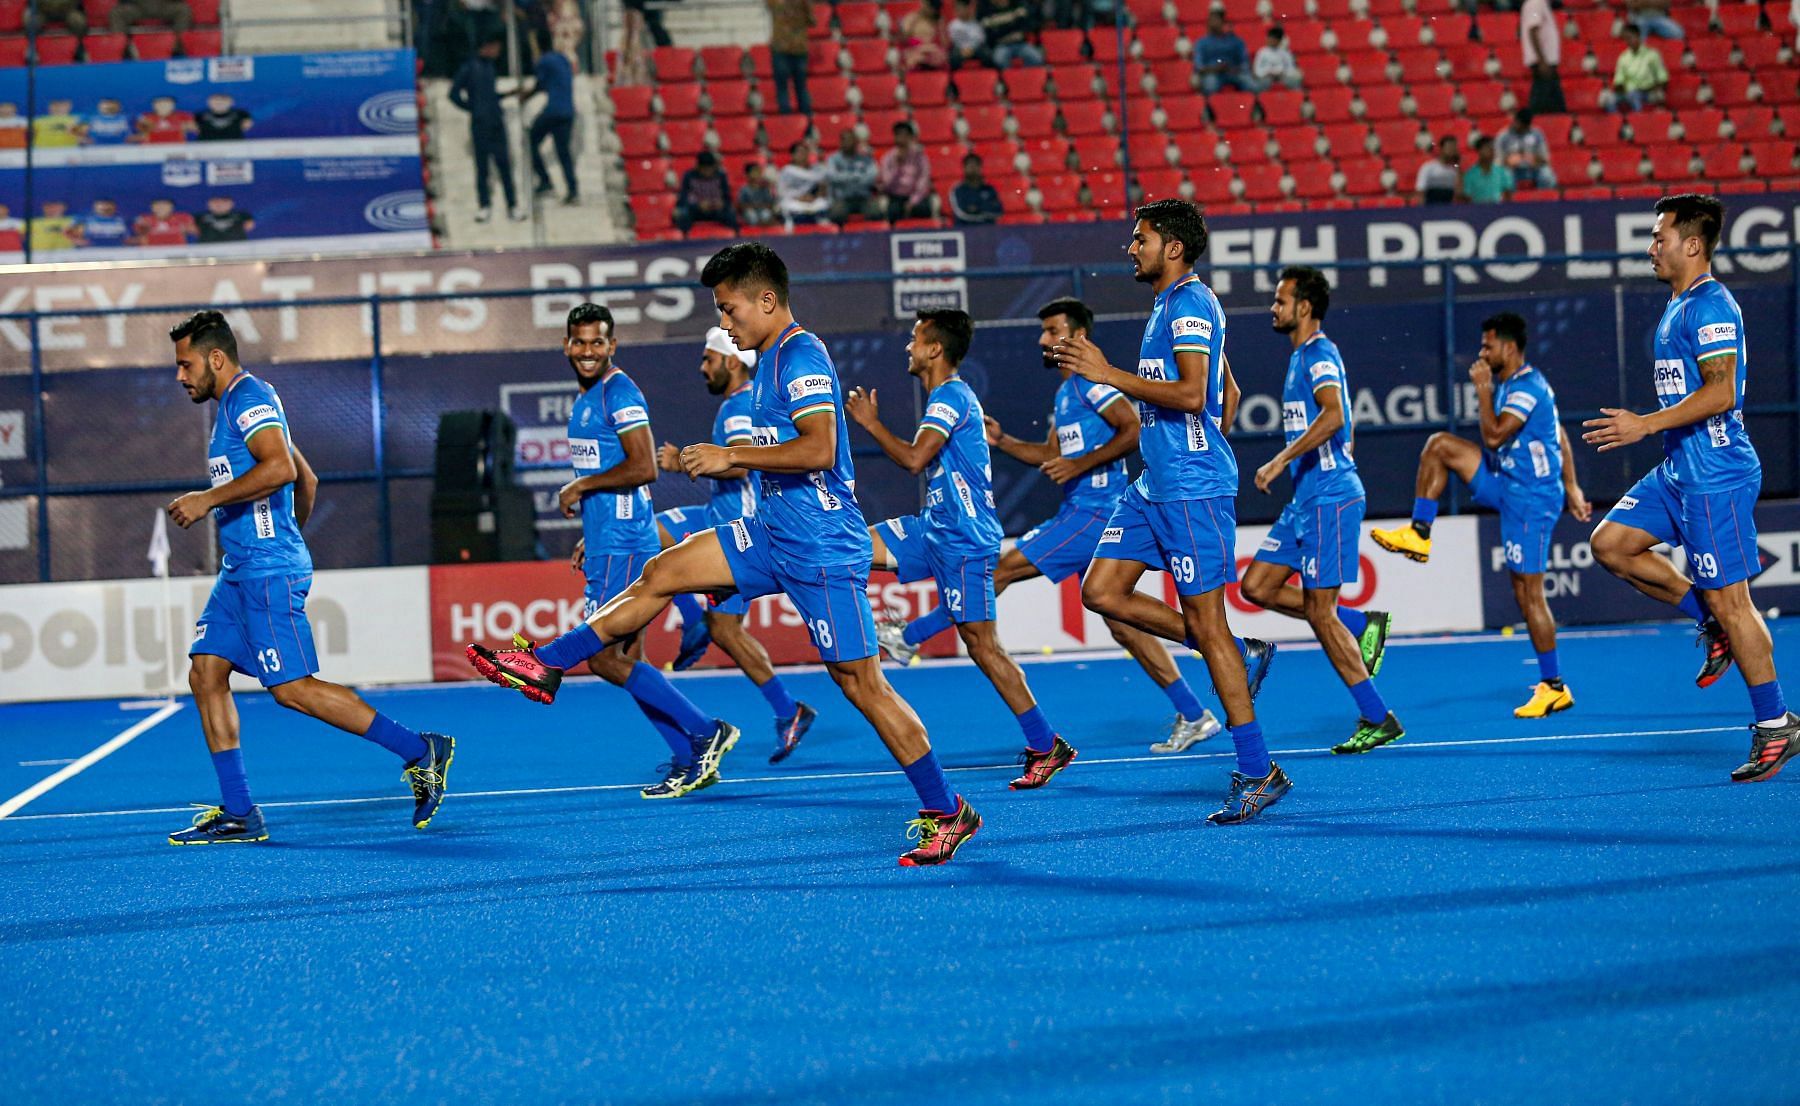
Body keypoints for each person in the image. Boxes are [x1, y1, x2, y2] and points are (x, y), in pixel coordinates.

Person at [468, 243, 982, 866]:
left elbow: (820, 449)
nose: (726, 323)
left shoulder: (801, 353)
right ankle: (545, 664)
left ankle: (947, 810)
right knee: (663, 570)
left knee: (862, 684)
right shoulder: (764, 364)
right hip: (771, 531)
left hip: (820, 543)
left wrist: (730, 457)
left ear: (767, 300)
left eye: (730, 309)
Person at [162, 310, 453, 844]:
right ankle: (240, 813)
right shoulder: (243, 401)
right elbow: (308, 477)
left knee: (293, 690)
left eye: (186, 365)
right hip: (241, 572)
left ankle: (420, 749)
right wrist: (286, 536)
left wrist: (213, 504)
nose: (180, 376)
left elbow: (283, 470)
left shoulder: (248, 399)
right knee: (206, 672)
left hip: (264, 572)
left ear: (216, 358)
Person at [893, 296, 1228, 753]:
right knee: (1123, 625)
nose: (1043, 339)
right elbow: (1053, 457)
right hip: (1081, 512)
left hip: (1094, 512)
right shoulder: (1066, 395)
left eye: (1053, 331)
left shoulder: (1092, 387)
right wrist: (1004, 441)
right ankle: (1196, 710)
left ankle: (909, 636)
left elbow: (1130, 428)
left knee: (1004, 570)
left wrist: (1080, 466)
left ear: (1078, 337)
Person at [1053, 199, 1287, 824]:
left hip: (1190, 489)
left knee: (1206, 630)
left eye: (1141, 239)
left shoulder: (1188, 303)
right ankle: (1239, 650)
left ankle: (1259, 770)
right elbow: (1225, 391)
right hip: (1157, 484)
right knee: (1100, 591)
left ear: (1174, 248)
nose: (1131, 248)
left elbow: (1191, 392)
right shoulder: (1169, 305)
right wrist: (1203, 435)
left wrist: (1112, 374)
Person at [1584, 194, 1799, 781]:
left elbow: (1722, 391)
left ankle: (1776, 725)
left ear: (1693, 245)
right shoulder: (1678, 304)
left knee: (1736, 603)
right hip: (1680, 470)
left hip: (1716, 475)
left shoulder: (1710, 305)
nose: (1652, 246)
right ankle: (1707, 621)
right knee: (1611, 545)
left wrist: (1643, 424)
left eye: (1660, 237)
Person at [853, 311, 1079, 787]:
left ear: (935, 349)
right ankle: (898, 633)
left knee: (982, 645)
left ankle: (1046, 744)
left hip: (965, 540)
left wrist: (872, 425)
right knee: (847, 544)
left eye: (915, 339)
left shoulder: (952, 396)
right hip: (932, 528)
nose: (908, 348)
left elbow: (915, 460)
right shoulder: (945, 397)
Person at [558, 304, 746, 797]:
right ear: (566, 346)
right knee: (629, 658)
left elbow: (644, 467)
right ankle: (689, 756)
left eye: (597, 342)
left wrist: (582, 486)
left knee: (604, 659)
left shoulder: (619, 390)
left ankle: (706, 731)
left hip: (624, 541)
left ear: (612, 346)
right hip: (609, 539)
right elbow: (621, 477)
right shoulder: (588, 397)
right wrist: (590, 534)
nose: (587, 351)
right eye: (579, 342)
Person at [1371, 314, 1589, 718]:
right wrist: (1574, 485)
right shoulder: (1516, 382)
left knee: (1529, 594)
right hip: (1508, 483)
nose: (1482, 353)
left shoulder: (1523, 387)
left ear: (1508, 347)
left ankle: (1554, 686)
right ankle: (1420, 532)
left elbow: (1493, 435)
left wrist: (1483, 391)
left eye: (1488, 346)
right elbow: (1558, 435)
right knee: (1440, 446)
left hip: (1531, 500)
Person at [1237, 268, 1401, 752]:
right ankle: (1361, 623)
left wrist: (1280, 459)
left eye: (1280, 299)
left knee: (1320, 614)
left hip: (1329, 495)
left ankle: (1378, 717)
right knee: (1256, 585)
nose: (1273, 306)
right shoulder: (1298, 359)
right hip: (1306, 500)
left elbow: (1333, 416)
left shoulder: (1320, 353)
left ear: (1304, 306)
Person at [653, 327, 819, 763]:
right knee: (652, 535)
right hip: (715, 517)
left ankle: (790, 710)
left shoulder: (739, 405)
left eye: (708, 358)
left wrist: (681, 460)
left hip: (738, 532)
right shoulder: (740, 401)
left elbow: (740, 462)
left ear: (730, 361)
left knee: (726, 629)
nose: (702, 366)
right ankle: (694, 622)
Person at [450, 37, 525, 222]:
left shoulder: (490, 68)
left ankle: (512, 205)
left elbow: (490, 95)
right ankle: (484, 206)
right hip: (480, 124)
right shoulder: (469, 68)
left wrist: (508, 94)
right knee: (482, 167)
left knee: (504, 166)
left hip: (496, 122)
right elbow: (454, 94)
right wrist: (472, 108)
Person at [519, 32, 580, 204]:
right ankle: (573, 189)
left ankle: (545, 181)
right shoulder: (563, 59)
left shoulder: (543, 61)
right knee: (563, 152)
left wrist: (524, 96)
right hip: (568, 111)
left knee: (531, 141)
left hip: (553, 110)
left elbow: (540, 85)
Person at [877, 121, 933, 221]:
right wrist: (898, 167)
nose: (901, 139)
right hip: (896, 196)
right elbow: (886, 185)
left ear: (911, 137)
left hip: (916, 196)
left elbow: (924, 182)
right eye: (898, 135)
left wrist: (913, 201)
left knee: (923, 209)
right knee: (893, 211)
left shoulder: (920, 157)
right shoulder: (888, 158)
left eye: (905, 135)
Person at [824, 129, 882, 223]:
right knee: (836, 214)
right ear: (841, 142)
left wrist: (845, 178)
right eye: (845, 140)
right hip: (842, 198)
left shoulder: (866, 158)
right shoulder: (833, 159)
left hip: (864, 197)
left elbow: (872, 176)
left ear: (856, 142)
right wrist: (856, 177)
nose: (848, 143)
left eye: (851, 140)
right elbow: (832, 177)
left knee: (876, 212)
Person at [675, 150, 739, 234]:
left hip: (716, 210)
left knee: (731, 214)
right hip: (696, 211)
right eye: (704, 169)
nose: (707, 172)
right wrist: (697, 205)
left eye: (710, 169)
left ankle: (735, 239)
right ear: (698, 167)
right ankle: (684, 240)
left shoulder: (721, 176)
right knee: (682, 214)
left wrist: (722, 203)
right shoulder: (689, 176)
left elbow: (727, 198)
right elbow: (683, 199)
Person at [767, 0, 814, 115]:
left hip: (780, 48)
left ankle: (787, 124)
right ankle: (807, 124)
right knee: (801, 88)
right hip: (799, 48)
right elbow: (812, 21)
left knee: (782, 89)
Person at [1609, 24, 1669, 113]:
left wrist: (1655, 89)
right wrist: (1619, 88)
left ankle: (1639, 122)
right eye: (1625, 39)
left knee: (1634, 96)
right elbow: (1619, 81)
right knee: (1608, 100)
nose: (1628, 41)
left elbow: (1663, 78)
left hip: (1648, 92)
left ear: (1638, 36)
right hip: (1628, 92)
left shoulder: (1652, 54)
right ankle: (1619, 123)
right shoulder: (1623, 57)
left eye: (1630, 38)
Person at [1519, 0, 1565, 115]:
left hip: (1546, 61)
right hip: (1543, 61)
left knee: (1554, 102)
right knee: (1539, 101)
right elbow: (1533, 30)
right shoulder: (1535, 4)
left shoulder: (1541, 4)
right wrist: (1541, 60)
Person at [1192, 9, 1253, 94]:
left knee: (1251, 84)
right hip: (1211, 74)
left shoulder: (1235, 41)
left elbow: (1245, 63)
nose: (1213, 23)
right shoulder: (1201, 43)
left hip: (1232, 72)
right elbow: (1198, 66)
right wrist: (1215, 68)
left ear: (1223, 22)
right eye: (1211, 20)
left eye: (1216, 20)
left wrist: (1235, 69)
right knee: (1210, 85)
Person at [1496, 109, 1556, 190]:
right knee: (1506, 177)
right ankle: (1510, 202)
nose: (1523, 130)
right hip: (1512, 170)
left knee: (1547, 175)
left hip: (1533, 169)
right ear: (1515, 122)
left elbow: (1545, 158)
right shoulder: (1503, 136)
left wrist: (1534, 159)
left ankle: (1543, 200)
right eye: (1521, 126)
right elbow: (1497, 161)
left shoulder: (1537, 134)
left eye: (1526, 128)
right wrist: (1508, 161)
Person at [777, 140, 831, 225]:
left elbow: (823, 187)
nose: (803, 155)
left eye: (805, 152)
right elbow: (782, 192)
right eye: (799, 152)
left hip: (812, 200)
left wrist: (815, 197)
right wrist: (799, 197)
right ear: (793, 155)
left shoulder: (817, 170)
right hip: (795, 200)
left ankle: (822, 226)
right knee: (787, 205)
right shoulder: (787, 171)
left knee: (823, 203)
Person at [978, 0, 1043, 67]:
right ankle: (1008, 77)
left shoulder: (1017, 6)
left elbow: (1026, 25)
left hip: (1020, 44)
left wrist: (1001, 26)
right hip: (1002, 45)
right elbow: (991, 34)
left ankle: (1026, 76)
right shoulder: (988, 11)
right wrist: (1013, 22)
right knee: (999, 59)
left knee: (1037, 57)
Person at [949, 153, 1003, 224]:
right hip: (965, 230)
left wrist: (976, 209)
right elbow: (961, 213)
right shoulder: (957, 190)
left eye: (975, 165)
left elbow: (998, 211)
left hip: (988, 231)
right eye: (970, 165)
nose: (973, 168)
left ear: (981, 167)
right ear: (964, 168)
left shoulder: (989, 189)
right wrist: (985, 210)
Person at [900, 0, 950, 70]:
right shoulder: (911, 17)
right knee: (913, 58)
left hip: (932, 50)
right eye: (930, 8)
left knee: (942, 56)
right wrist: (913, 24)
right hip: (915, 49)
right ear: (924, 4)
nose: (932, 11)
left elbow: (945, 44)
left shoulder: (938, 20)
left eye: (934, 9)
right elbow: (903, 39)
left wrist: (941, 28)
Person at [1462, 136, 1513, 203]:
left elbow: (1508, 196)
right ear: (1479, 150)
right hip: (1477, 211)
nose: (1492, 150)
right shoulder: (1470, 174)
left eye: (1493, 148)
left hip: (1499, 210)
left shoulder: (1502, 172)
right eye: (1488, 147)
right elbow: (1467, 198)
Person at [1415, 135, 1462, 204]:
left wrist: (1457, 165)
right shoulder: (1428, 167)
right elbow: (1420, 192)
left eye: (1454, 147)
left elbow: (1458, 193)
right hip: (1431, 207)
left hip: (1449, 207)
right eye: (1449, 147)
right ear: (1441, 149)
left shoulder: (1455, 170)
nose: (1452, 150)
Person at [1251, 26, 1302, 90]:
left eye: (1274, 39)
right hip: (1266, 78)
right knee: (1260, 84)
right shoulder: (1261, 52)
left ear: (1279, 41)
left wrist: (1282, 74)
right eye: (1269, 38)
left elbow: (1290, 69)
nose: (1271, 41)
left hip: (1282, 77)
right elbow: (1257, 70)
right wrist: (1267, 73)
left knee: (1295, 82)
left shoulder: (1285, 53)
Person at [109, 0, 193, 32]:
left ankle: (178, 47)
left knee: (183, 10)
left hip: (164, 5)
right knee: (116, 13)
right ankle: (122, 48)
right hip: (138, 7)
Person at [737, 162, 778, 226]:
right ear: (747, 175)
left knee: (766, 214)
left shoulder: (764, 188)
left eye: (758, 171)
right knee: (751, 215)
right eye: (754, 171)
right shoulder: (744, 189)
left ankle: (764, 226)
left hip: (762, 210)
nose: (757, 174)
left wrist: (769, 188)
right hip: (750, 211)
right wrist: (753, 206)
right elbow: (741, 205)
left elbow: (770, 204)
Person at [946, 0, 986, 67]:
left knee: (987, 54)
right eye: (957, 9)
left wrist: (971, 49)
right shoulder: (952, 25)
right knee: (953, 57)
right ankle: (954, 77)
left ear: (967, 8)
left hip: (975, 49)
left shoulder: (976, 23)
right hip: (959, 49)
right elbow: (953, 41)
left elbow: (980, 40)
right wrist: (963, 49)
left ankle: (989, 76)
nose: (959, 12)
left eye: (961, 9)